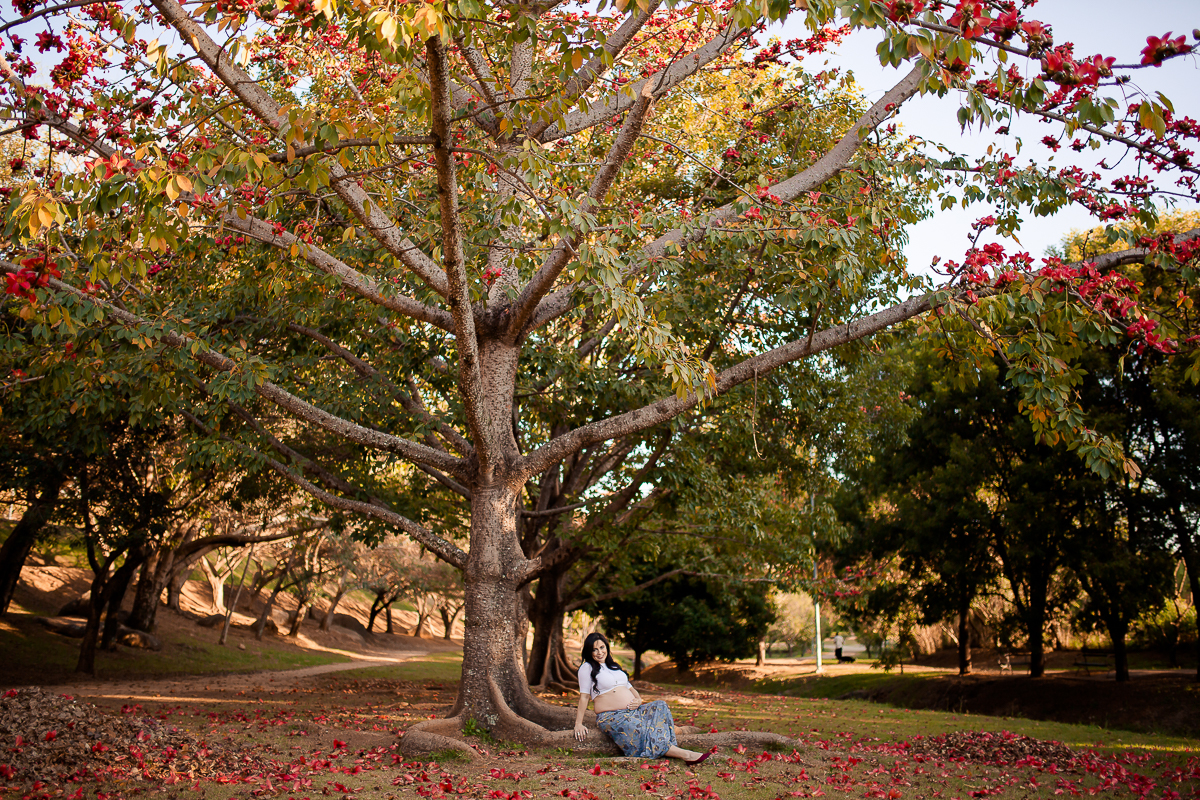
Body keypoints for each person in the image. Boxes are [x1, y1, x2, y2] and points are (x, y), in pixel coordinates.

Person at [572, 632, 711, 764]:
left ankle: (665, 748)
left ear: (607, 647)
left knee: (660, 706)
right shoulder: (587, 668)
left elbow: (629, 687)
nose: (599, 652)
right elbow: (584, 697)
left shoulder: (613, 666)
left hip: (634, 711)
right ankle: (685, 754)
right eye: (594, 649)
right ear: (589, 651)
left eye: (602, 647)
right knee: (641, 729)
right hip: (612, 717)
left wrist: (638, 700)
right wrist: (578, 723)